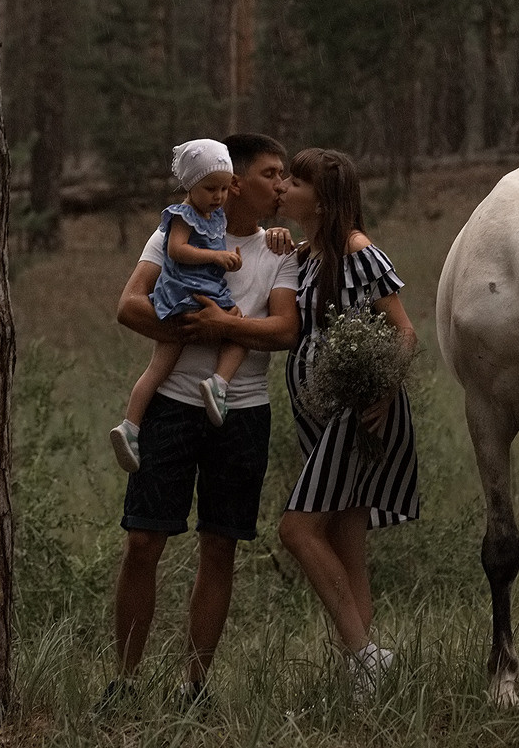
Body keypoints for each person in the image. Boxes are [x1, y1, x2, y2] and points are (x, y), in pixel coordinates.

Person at [100, 133, 299, 712]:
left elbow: (285, 330)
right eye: (270, 174)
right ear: (235, 181)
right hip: (171, 406)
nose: (281, 185)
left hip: (243, 412)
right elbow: (128, 305)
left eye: (285, 175)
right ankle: (124, 685)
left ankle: (195, 688)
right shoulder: (175, 232)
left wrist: (224, 327)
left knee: (220, 546)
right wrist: (195, 329)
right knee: (143, 540)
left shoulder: (281, 250)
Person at [276, 147, 419, 697]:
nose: (284, 187)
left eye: (296, 181)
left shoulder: (358, 252)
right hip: (317, 417)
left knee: (297, 529)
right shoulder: (306, 254)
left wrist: (384, 390)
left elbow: (404, 332)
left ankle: (365, 657)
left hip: (354, 413)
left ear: (322, 198)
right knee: (346, 540)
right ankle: (363, 680)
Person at [109, 139, 248, 472]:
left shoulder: (214, 217)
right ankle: (219, 383)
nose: (218, 196)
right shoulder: (182, 215)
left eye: (224, 189)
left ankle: (130, 426)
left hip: (196, 293)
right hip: (189, 296)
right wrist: (216, 257)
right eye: (210, 188)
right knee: (238, 325)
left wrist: (229, 261)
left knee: (159, 368)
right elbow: (176, 250)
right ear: (190, 185)